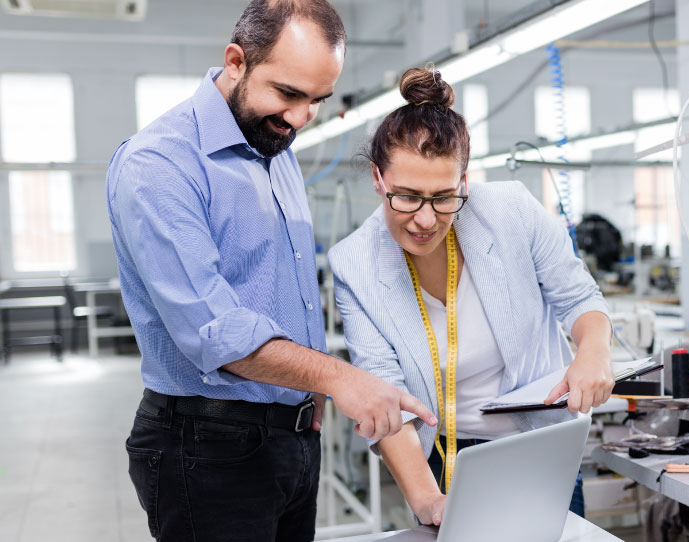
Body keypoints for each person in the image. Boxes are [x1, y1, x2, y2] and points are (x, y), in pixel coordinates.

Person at [106, 3, 436, 541]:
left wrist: (311, 401)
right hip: (207, 447)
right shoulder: (160, 165)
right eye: (288, 94)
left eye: (317, 101)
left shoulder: (274, 146)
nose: (302, 117)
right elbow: (215, 331)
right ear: (236, 61)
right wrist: (338, 378)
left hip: (291, 438)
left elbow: (289, 293)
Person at [328, 66, 614, 526]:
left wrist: (594, 351)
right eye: (406, 196)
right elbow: (384, 395)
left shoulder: (511, 211)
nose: (425, 219)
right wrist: (425, 499)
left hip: (537, 446)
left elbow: (579, 296)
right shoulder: (354, 265)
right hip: (436, 464)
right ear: (378, 178)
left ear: (465, 182)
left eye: (443, 197)